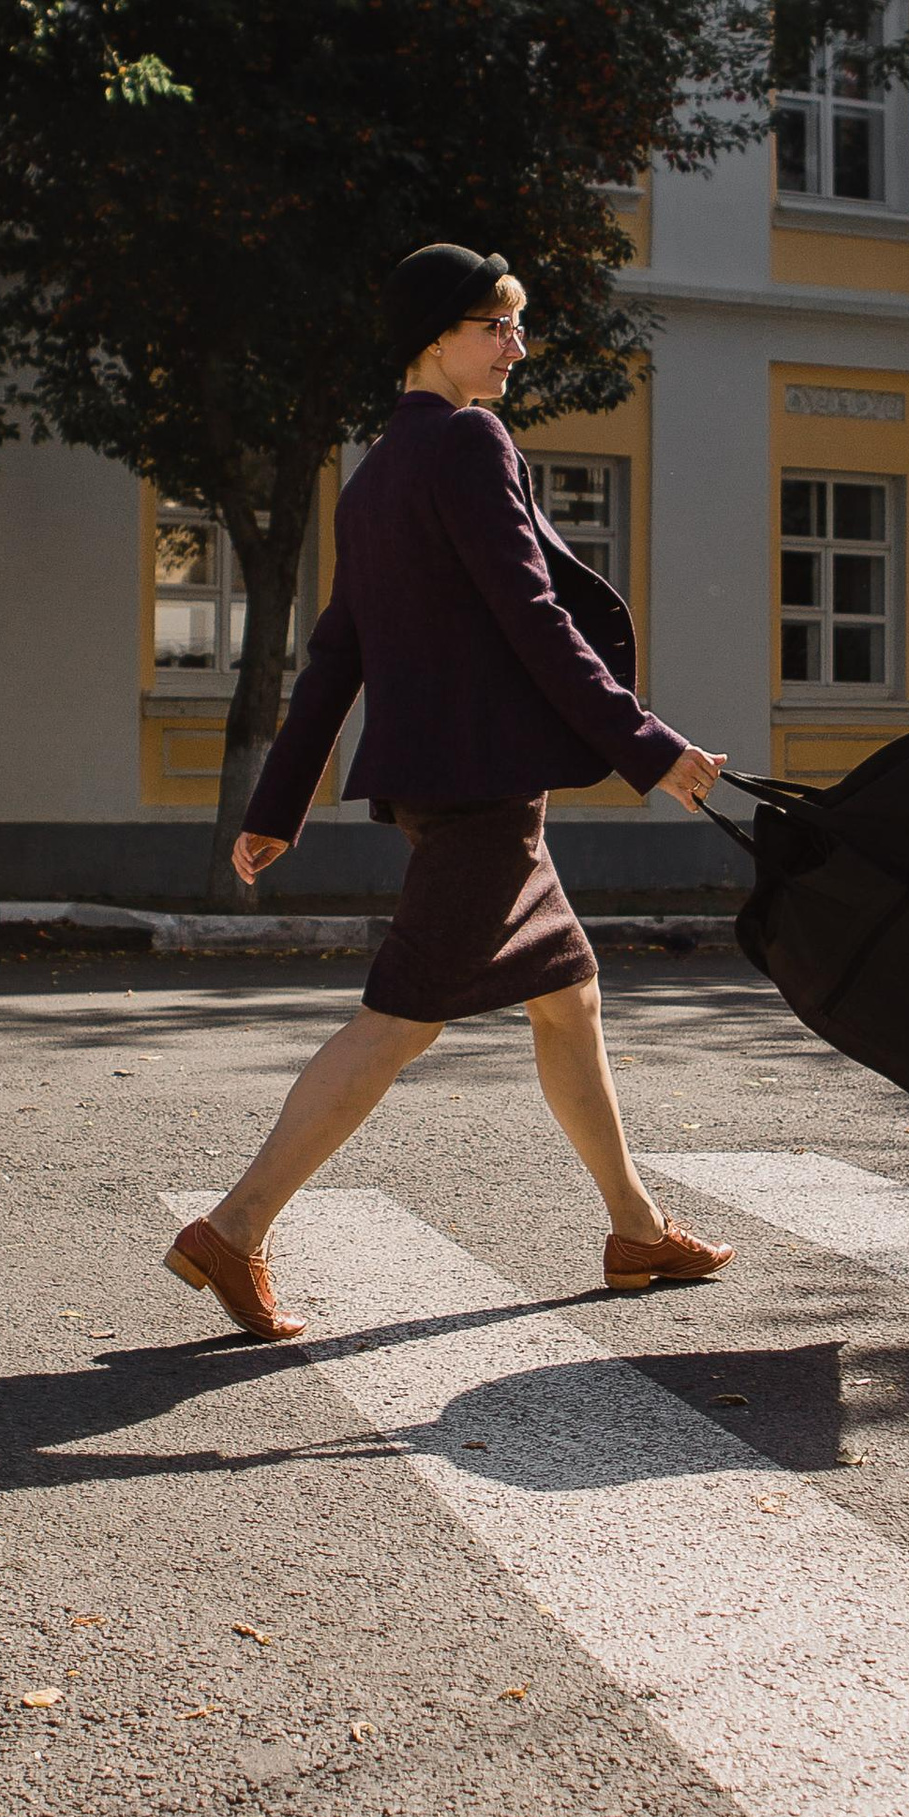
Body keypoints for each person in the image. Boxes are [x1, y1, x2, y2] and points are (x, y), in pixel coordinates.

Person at [168, 242, 733, 1342]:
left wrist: (276, 807)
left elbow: (337, 652)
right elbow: (534, 617)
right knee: (397, 1021)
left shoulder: (376, 472)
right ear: (435, 336)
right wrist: (648, 745)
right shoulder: (470, 442)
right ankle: (233, 1228)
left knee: (569, 999)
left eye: (517, 324)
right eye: (496, 326)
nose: (518, 346)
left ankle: (635, 1228)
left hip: (458, 789)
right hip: (480, 794)